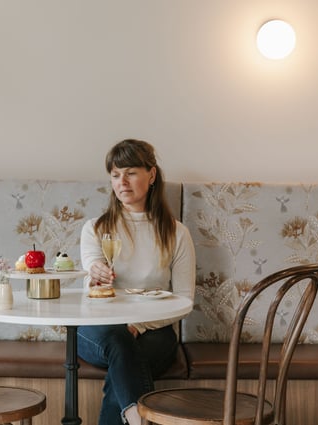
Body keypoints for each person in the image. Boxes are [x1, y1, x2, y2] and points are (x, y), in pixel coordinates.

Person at [78, 139, 196, 425]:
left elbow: (184, 300)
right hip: (99, 330)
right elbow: (93, 266)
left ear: (151, 175)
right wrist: (96, 273)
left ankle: (135, 417)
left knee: (124, 360)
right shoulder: (95, 228)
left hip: (155, 332)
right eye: (116, 175)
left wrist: (139, 325)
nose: (122, 182)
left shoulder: (176, 233)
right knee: (119, 341)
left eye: (130, 173)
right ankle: (138, 418)